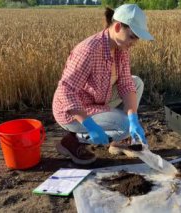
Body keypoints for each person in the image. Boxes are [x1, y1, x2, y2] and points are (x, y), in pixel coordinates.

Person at [52, 4, 154, 165]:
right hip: (73, 110)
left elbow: (126, 84)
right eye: (132, 36)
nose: (135, 42)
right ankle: (73, 141)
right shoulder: (89, 50)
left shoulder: (121, 49)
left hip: (98, 99)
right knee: (124, 126)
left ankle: (118, 142)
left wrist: (133, 117)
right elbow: (66, 91)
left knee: (136, 83)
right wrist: (89, 124)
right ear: (118, 26)